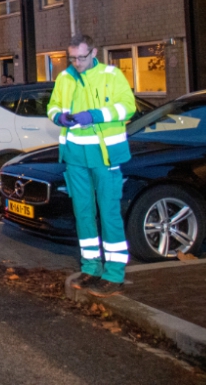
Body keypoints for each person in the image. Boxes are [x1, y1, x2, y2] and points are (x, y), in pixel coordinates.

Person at [48, 34, 135, 297]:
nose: (77, 62)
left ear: (93, 52)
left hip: (104, 155)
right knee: (83, 213)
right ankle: (90, 266)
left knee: (109, 213)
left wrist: (94, 116)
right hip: (75, 156)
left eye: (81, 57)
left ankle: (114, 272)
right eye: (72, 58)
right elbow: (51, 107)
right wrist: (59, 117)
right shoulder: (64, 78)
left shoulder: (111, 75)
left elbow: (127, 108)